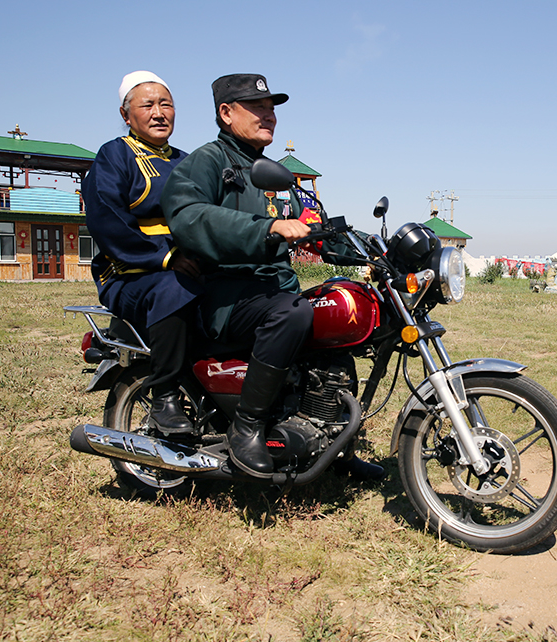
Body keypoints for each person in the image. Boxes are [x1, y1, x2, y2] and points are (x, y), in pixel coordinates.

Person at [161, 73, 382, 481]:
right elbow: (188, 216)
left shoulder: (274, 172)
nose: (269, 115)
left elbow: (314, 227)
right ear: (226, 113)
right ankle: (247, 427)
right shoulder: (208, 161)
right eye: (257, 107)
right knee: (294, 314)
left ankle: (338, 447)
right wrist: (265, 229)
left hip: (273, 291)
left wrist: (372, 251)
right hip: (227, 296)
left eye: (272, 108)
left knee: (338, 319)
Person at [84, 71, 201, 435]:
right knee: (176, 287)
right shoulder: (114, 156)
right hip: (129, 275)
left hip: (187, 268)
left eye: (166, 104)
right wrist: (165, 257)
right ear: (126, 114)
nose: (159, 113)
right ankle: (164, 395)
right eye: (147, 105)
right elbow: (107, 218)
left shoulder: (188, 161)